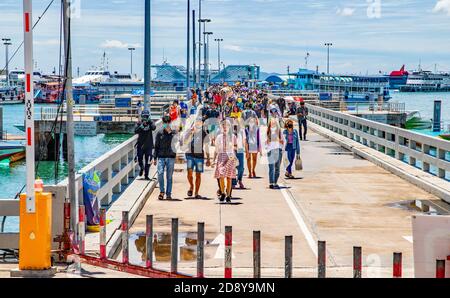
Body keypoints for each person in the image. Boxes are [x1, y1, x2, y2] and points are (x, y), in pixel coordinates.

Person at [183, 119, 210, 199]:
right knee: (189, 173)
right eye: (196, 122)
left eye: (200, 122)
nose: (198, 124)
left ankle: (196, 192)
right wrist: (191, 133)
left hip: (199, 157)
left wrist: (208, 158)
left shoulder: (204, 133)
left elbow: (206, 146)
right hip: (189, 155)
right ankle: (191, 186)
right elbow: (184, 142)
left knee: (198, 175)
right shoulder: (190, 131)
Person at [154, 116, 178, 200]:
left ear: (170, 123)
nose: (167, 124)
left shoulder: (174, 133)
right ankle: (162, 191)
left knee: (169, 176)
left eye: (168, 123)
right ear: (163, 123)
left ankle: (168, 193)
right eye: (165, 123)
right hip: (161, 157)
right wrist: (154, 158)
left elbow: (179, 142)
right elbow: (156, 146)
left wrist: (170, 133)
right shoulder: (159, 133)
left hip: (171, 157)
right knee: (160, 174)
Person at [213, 119, 237, 203]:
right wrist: (213, 160)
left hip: (230, 157)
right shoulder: (219, 137)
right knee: (221, 176)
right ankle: (223, 192)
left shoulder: (233, 136)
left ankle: (228, 195)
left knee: (229, 177)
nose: (225, 127)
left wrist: (233, 151)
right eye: (223, 125)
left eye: (226, 125)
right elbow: (216, 149)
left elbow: (236, 147)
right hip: (221, 157)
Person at [134, 113, 157, 180]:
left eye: (146, 116)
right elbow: (135, 131)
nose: (145, 118)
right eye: (143, 116)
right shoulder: (139, 123)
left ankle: (146, 175)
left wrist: (149, 121)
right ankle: (141, 168)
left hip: (149, 145)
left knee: (148, 161)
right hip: (140, 145)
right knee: (139, 159)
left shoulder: (150, 122)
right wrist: (141, 126)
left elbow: (154, 128)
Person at [266, 118, 284, 189]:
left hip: (278, 150)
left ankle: (275, 182)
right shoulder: (267, 133)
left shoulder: (279, 132)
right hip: (270, 151)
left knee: (277, 168)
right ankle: (271, 183)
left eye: (274, 123)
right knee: (271, 167)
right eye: (272, 123)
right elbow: (264, 142)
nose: (273, 125)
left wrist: (281, 142)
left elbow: (283, 141)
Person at [232, 123, 247, 189]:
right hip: (232, 151)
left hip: (240, 150)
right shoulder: (230, 131)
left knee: (241, 167)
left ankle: (239, 180)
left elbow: (244, 140)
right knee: (232, 167)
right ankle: (233, 182)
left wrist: (246, 150)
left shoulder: (242, 131)